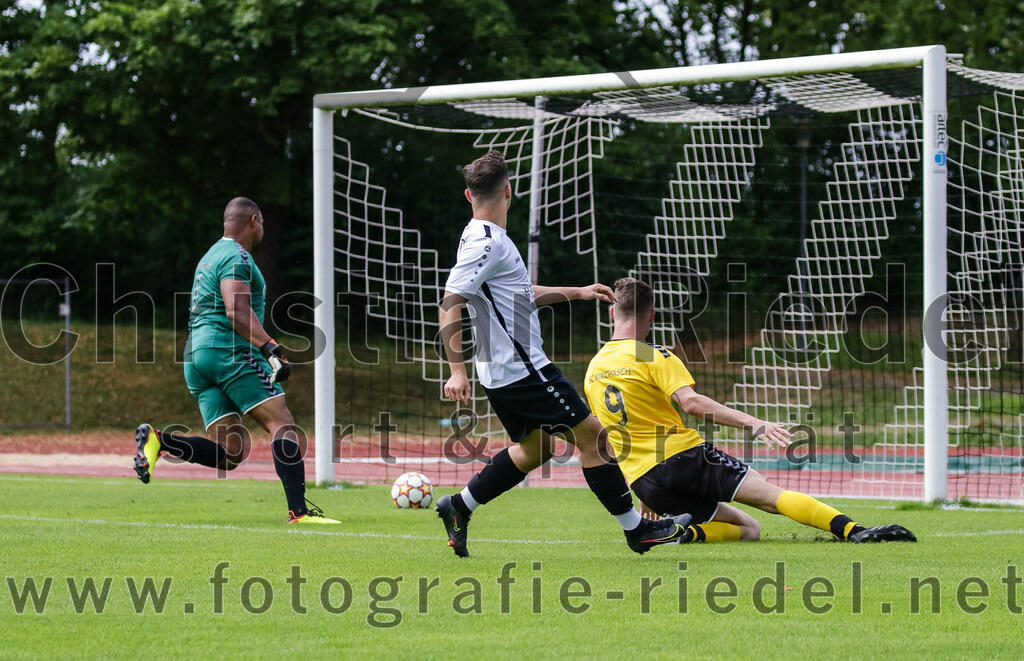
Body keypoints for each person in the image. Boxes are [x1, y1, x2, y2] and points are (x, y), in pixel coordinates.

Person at [434, 151, 690, 558]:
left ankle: (459, 506)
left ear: (468, 195)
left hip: (502, 373)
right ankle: (637, 530)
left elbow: (520, 294)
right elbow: (450, 301)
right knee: (596, 440)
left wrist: (578, 292)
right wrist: (455, 371)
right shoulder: (485, 244)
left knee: (537, 450)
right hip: (522, 370)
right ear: (509, 190)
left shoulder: (482, 237)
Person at [583, 276, 916, 544]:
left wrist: (638, 482)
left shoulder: (595, 367)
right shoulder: (650, 354)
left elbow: (604, 438)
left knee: (749, 529)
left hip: (645, 481)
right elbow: (691, 402)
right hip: (683, 457)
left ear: (612, 313)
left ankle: (682, 535)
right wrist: (754, 423)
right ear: (652, 315)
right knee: (770, 495)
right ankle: (854, 531)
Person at [133, 197, 338, 525]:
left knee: (231, 451)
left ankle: (159, 440)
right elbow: (235, 310)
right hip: (227, 351)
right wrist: (269, 345)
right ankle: (299, 512)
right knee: (282, 423)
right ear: (254, 220)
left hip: (196, 356)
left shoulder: (211, 254)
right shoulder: (236, 255)